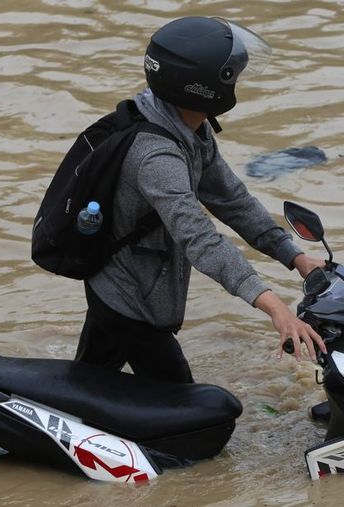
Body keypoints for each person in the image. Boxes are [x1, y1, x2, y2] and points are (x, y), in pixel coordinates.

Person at [76, 16, 326, 382]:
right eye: (233, 75)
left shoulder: (191, 127)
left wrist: (295, 256)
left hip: (120, 279)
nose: (238, 82)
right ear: (204, 89)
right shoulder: (156, 157)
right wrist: (274, 306)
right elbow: (200, 238)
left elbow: (232, 200)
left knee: (87, 379)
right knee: (191, 420)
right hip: (129, 295)